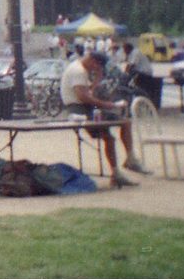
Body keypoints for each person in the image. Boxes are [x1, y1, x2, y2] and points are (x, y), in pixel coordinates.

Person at [59, 52, 150, 187]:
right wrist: (110, 105)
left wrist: (97, 79)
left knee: (113, 134)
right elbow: (84, 97)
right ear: (93, 61)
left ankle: (119, 170)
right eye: (96, 67)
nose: (95, 70)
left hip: (83, 108)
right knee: (123, 123)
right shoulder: (78, 71)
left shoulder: (79, 69)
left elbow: (88, 92)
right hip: (79, 110)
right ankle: (127, 162)